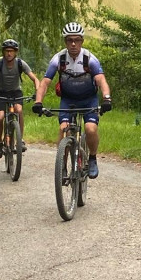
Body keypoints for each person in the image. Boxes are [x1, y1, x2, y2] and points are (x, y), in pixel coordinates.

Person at [32, 22, 112, 179]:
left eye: (77, 40)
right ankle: (62, 164)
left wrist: (107, 98)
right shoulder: (59, 59)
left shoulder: (90, 59)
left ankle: (92, 158)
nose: (73, 44)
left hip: (89, 99)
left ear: (82, 41)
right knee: (64, 130)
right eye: (70, 40)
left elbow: (101, 80)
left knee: (90, 129)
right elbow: (45, 82)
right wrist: (38, 102)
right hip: (68, 100)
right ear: (65, 42)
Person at [0, 39, 40, 158]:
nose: (9, 54)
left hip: (16, 92)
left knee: (19, 110)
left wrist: (37, 91)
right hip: (0, 93)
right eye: (7, 51)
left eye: (11, 51)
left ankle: (20, 140)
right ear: (3, 52)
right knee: (0, 117)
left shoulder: (20, 63)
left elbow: (35, 79)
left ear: (15, 52)